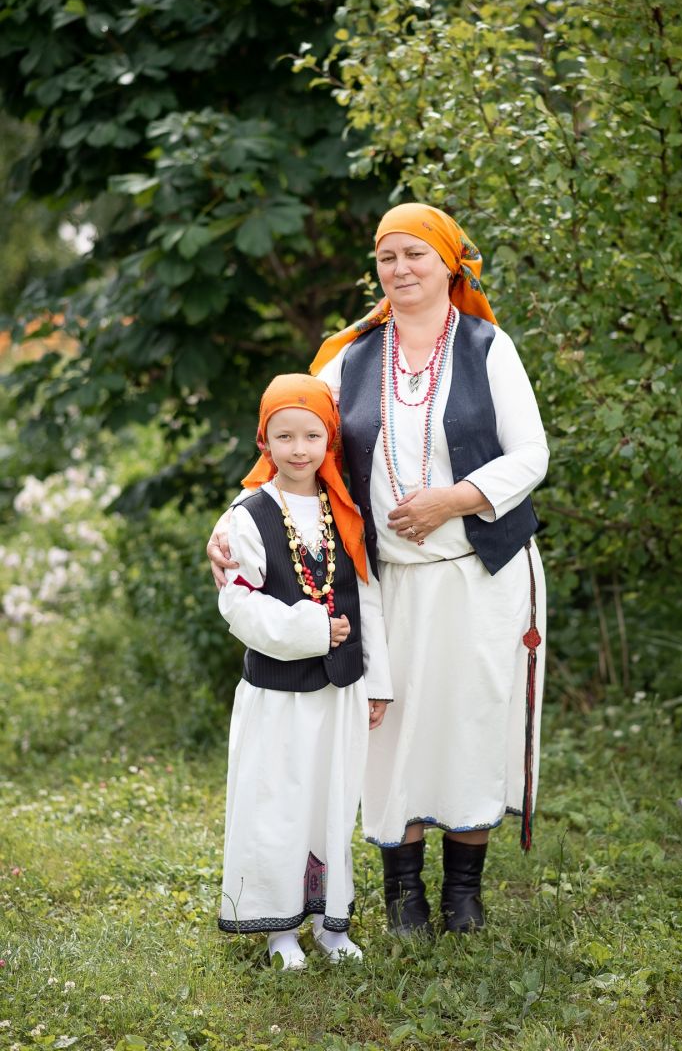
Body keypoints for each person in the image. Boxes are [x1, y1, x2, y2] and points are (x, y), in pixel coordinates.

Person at [209, 203, 548, 937]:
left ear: (449, 264)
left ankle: (463, 893)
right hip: (385, 580)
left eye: (416, 255)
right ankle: (403, 896)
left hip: (480, 573)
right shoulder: (349, 357)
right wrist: (232, 525)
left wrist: (453, 500)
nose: (401, 269)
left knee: (470, 722)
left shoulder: (489, 347)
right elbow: (292, 438)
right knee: (389, 730)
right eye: (388, 257)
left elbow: (532, 456)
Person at [216, 373, 392, 970]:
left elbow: (367, 599)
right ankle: (280, 928)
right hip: (279, 694)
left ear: (329, 438)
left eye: (311, 435)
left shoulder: (343, 509)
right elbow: (238, 603)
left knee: (331, 799)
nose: (298, 449)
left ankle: (329, 920)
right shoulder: (248, 514)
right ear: (263, 441)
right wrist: (312, 631)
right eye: (283, 435)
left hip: (340, 689)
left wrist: (379, 681)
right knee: (280, 800)